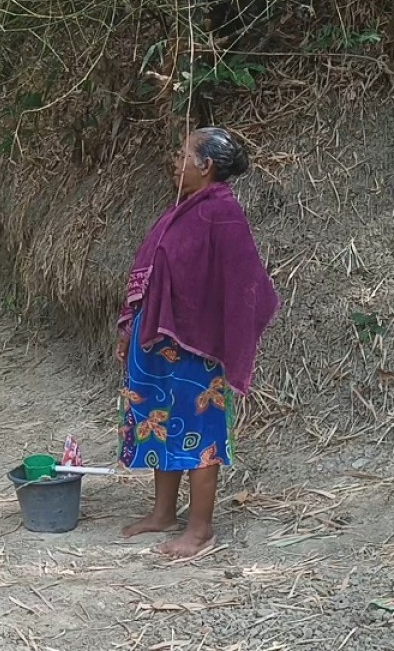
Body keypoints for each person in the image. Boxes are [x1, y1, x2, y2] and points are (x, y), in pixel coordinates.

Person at [114, 127, 279, 558]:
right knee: (160, 421)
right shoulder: (184, 210)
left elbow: (246, 282)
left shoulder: (223, 212)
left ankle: (200, 529)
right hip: (158, 338)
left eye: (183, 154)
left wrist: (223, 331)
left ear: (205, 166)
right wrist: (132, 327)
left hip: (195, 346)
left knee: (197, 428)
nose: (175, 161)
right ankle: (163, 513)